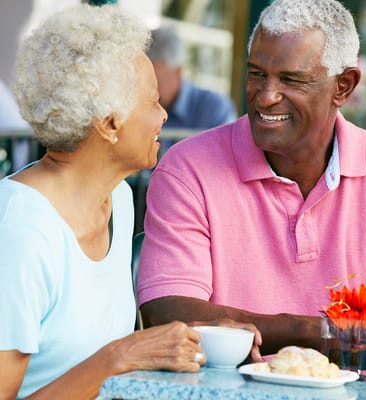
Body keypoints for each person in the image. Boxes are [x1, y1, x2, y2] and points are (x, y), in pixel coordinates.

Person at [0, 5, 261, 399]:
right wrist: (120, 355)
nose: (163, 114)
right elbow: (111, 359)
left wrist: (195, 338)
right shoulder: (21, 231)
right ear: (110, 123)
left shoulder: (117, 200)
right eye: (152, 101)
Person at [137, 0, 366, 378]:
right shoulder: (188, 167)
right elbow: (169, 311)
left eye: (291, 79)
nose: (265, 96)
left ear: (343, 87)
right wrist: (317, 331)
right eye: (257, 73)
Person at [147, 26, 237, 133]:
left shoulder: (216, 109)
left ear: (178, 72)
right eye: (140, 81)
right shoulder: (137, 109)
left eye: (154, 81)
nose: (147, 89)